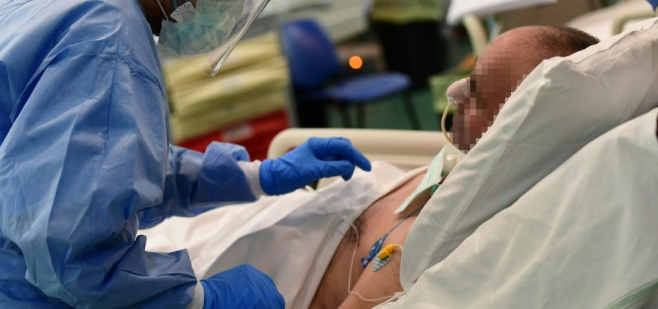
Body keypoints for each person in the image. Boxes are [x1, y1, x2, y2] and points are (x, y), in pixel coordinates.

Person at [0, 0, 372, 309]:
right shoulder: (105, 36)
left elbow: (94, 166)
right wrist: (199, 299)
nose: (232, 1)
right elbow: (68, 252)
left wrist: (253, 176)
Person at [141, 25, 600, 308]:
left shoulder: (445, 234)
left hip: (198, 276)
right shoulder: (452, 173)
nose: (454, 92)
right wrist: (253, 176)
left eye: (478, 92)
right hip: (212, 233)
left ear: (519, 130)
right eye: (471, 74)